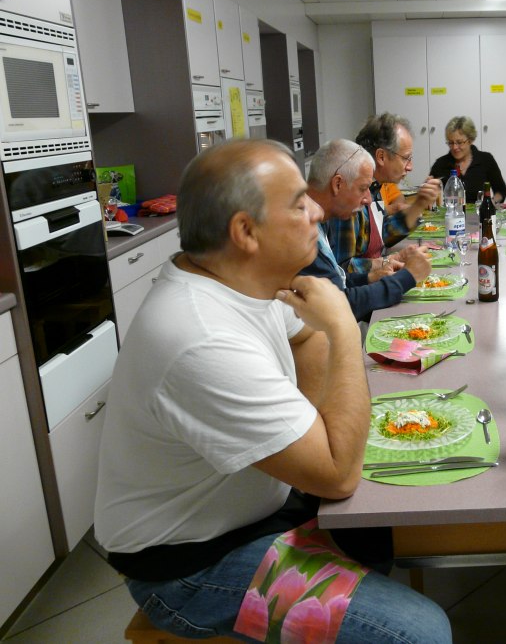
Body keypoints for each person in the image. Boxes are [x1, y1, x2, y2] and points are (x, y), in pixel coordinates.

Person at [93, 139, 452, 643]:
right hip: (193, 564)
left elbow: (307, 340)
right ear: (246, 231)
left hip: (258, 508)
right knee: (420, 633)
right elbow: (337, 476)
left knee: (377, 526)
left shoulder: (244, 279)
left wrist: (316, 430)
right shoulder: (201, 336)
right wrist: (343, 328)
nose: (316, 213)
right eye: (299, 204)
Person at [302, 139, 432, 322]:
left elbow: (336, 283)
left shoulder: (322, 221)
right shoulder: (302, 233)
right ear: (337, 184)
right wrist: (407, 277)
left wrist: (370, 278)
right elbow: (340, 305)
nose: (368, 199)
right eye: (363, 189)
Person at [327, 112, 442, 275]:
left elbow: (379, 236)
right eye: (406, 158)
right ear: (381, 156)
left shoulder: (375, 186)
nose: (410, 167)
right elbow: (342, 268)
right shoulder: (350, 195)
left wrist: (419, 205)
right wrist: (387, 261)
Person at [429, 115, 506, 204]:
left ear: (470, 140)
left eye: (459, 142)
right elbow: (428, 195)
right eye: (451, 143)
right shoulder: (440, 164)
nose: (454, 147)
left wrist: (489, 204)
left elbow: (501, 191)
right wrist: (427, 190)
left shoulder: (486, 159)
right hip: (451, 211)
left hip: (479, 211)